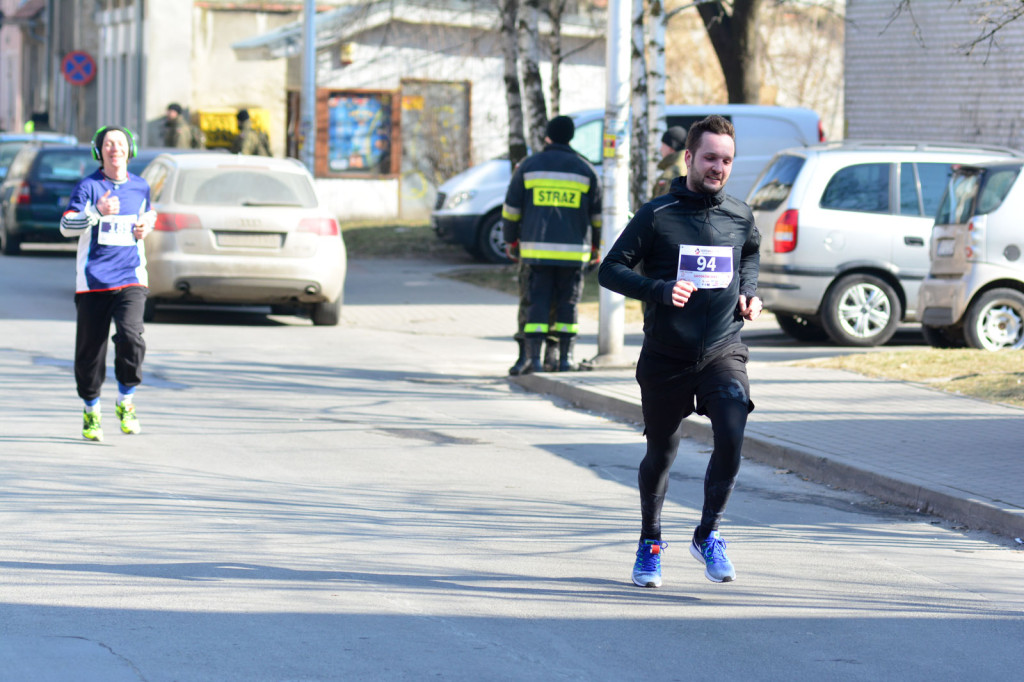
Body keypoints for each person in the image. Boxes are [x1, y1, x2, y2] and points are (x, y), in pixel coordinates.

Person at [598, 115, 762, 588]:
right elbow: (609, 270)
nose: (719, 168)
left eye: (727, 160)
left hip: (722, 350)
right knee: (661, 453)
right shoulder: (658, 214)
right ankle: (650, 542)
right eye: (710, 158)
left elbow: (749, 253)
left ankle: (707, 534)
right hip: (667, 356)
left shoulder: (739, 214)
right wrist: (658, 288)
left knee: (732, 431)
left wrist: (749, 291)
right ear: (688, 157)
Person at [59, 126, 157, 441]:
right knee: (91, 352)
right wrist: (96, 212)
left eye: (120, 143)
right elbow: (65, 225)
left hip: (131, 277)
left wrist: (145, 227)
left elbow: (150, 216)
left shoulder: (140, 187)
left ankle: (126, 401)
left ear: (131, 150)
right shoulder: (88, 187)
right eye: (108, 144)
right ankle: (91, 410)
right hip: (94, 282)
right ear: (99, 152)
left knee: (132, 338)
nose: (115, 149)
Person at [502, 115, 602, 374]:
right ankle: (564, 359)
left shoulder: (529, 165)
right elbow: (597, 216)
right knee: (568, 305)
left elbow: (511, 210)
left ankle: (534, 360)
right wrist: (596, 247)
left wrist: (510, 240)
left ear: (547, 136)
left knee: (537, 303)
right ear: (571, 136)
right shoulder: (585, 168)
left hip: (536, 253)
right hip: (574, 255)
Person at [651, 125, 687, 198]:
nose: (661, 149)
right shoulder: (692, 166)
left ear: (671, 146)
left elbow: (660, 206)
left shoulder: (671, 174)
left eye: (663, 145)